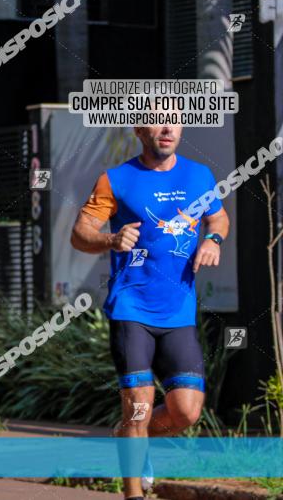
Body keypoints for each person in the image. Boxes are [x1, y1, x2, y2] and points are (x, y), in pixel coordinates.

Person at [70, 123, 229, 500]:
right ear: (141, 131)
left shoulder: (199, 175)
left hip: (179, 313)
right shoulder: (116, 179)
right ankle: (134, 494)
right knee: (139, 408)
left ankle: (126, 437)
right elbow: (79, 234)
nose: (168, 127)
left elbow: (217, 217)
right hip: (132, 309)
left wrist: (213, 240)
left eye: (174, 119)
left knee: (186, 412)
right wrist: (111, 238)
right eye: (158, 120)